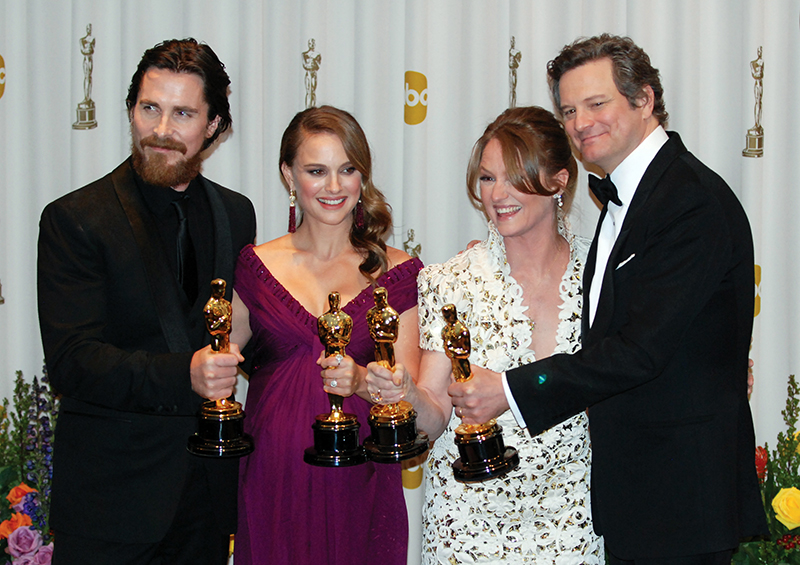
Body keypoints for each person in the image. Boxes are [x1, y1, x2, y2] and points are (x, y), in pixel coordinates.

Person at [450, 34, 769, 564]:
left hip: (679, 502)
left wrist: (510, 389)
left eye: (597, 104)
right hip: (641, 498)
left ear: (644, 100)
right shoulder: (634, 197)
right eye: (569, 109)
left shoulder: (689, 202)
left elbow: (640, 350)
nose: (579, 123)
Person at [37, 38, 256, 564]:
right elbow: (72, 363)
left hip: (206, 504)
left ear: (214, 127)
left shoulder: (237, 214)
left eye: (183, 113)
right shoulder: (76, 219)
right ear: (131, 110)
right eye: (149, 108)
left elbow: (245, 333)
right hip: (109, 507)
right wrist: (186, 373)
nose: (161, 129)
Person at [368, 106, 602, 563]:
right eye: (488, 178)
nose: (499, 194)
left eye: (515, 176)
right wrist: (407, 393)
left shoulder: (601, 277)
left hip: (574, 516)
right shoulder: (449, 280)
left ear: (558, 181)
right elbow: (434, 420)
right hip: (469, 524)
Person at [229, 105, 422, 564]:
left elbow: (408, 394)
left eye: (347, 170)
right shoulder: (255, 266)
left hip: (361, 480)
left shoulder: (398, 272)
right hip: (272, 476)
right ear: (289, 176)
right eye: (317, 171)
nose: (334, 187)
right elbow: (218, 360)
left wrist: (362, 382)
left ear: (362, 177)